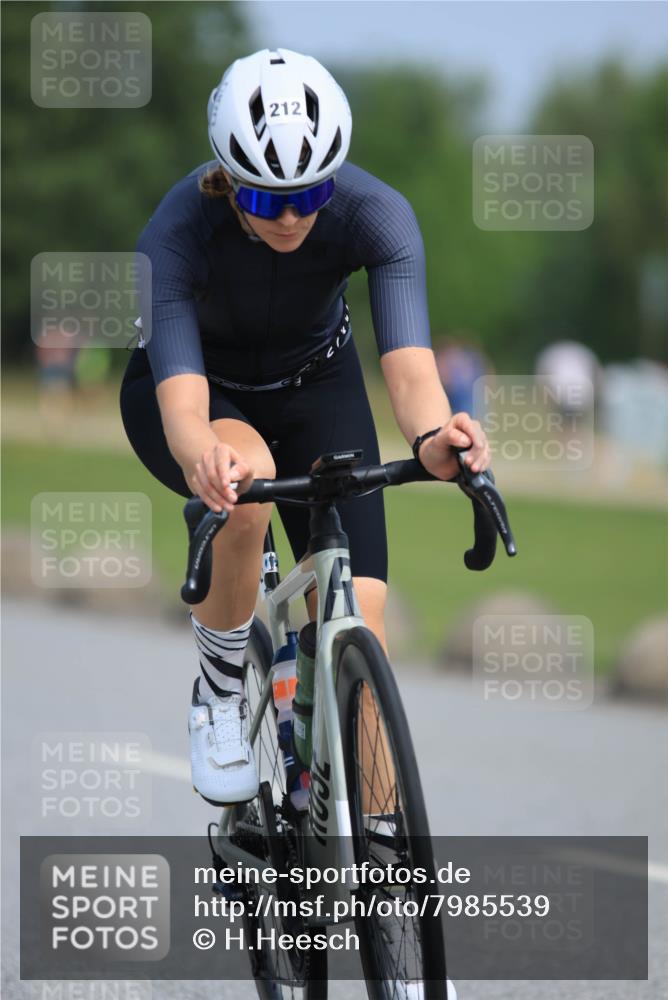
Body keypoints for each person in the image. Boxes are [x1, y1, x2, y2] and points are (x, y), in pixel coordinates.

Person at [119, 48, 490, 809]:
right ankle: (222, 694)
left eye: (310, 193)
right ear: (229, 179)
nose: (291, 216)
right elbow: (186, 415)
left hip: (316, 383)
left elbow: (414, 376)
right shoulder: (175, 233)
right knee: (245, 484)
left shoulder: (376, 214)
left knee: (362, 616)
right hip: (195, 389)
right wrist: (207, 459)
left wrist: (437, 440)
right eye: (266, 200)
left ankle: (378, 844)